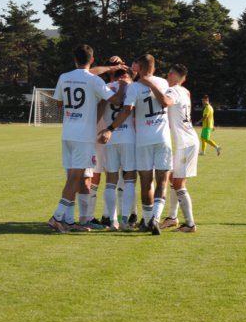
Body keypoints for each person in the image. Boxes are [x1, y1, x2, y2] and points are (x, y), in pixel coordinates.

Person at [47, 44, 125, 233]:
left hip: (67, 133)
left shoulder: (64, 77)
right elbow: (116, 100)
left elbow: (58, 102)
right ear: (92, 59)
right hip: (84, 135)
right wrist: (123, 84)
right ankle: (57, 217)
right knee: (76, 177)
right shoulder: (94, 81)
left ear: (75, 60)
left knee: (74, 177)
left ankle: (70, 220)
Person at [99, 54, 172, 236]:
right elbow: (164, 103)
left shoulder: (113, 87)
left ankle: (115, 219)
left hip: (134, 140)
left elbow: (123, 109)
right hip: (145, 137)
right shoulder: (162, 83)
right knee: (152, 180)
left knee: (119, 181)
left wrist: (109, 129)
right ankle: (144, 218)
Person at [140, 64, 199, 232]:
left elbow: (165, 102)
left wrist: (151, 85)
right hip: (188, 139)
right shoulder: (185, 91)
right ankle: (172, 218)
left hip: (184, 143)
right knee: (174, 178)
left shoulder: (173, 91)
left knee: (179, 183)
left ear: (172, 75)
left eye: (169, 73)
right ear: (184, 78)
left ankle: (190, 224)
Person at [101, 67, 137, 232]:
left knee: (111, 180)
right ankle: (124, 219)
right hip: (128, 137)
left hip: (110, 138)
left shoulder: (107, 87)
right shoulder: (133, 87)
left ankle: (112, 220)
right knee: (129, 179)